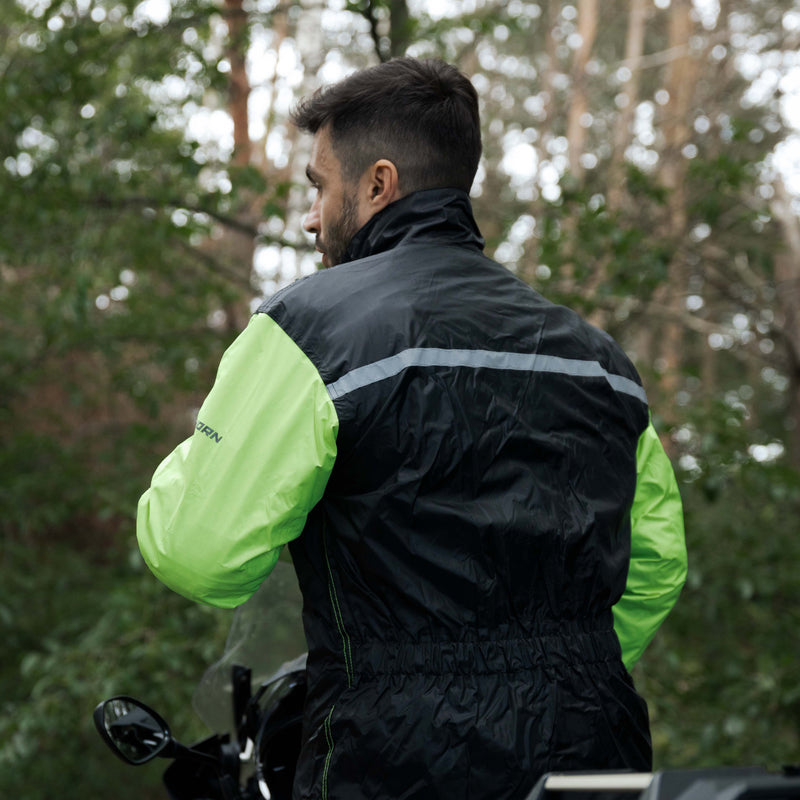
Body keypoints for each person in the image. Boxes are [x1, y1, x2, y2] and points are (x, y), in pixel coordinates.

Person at [137, 57, 687, 800]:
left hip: (395, 756)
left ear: (377, 184)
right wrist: (544, 670)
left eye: (318, 185)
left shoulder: (311, 328)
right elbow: (653, 570)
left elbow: (200, 553)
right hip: (594, 751)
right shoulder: (598, 358)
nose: (310, 215)